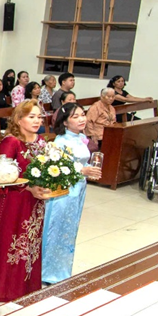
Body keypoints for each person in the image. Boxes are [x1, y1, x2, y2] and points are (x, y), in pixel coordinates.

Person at [0, 100, 50, 302]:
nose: (37, 121)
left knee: (32, 241)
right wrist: (28, 188)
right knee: (12, 243)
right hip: (14, 200)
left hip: (35, 201)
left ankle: (27, 285)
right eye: (31, 117)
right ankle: (4, 288)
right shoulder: (11, 142)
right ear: (19, 119)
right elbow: (2, 176)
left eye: (39, 117)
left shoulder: (41, 141)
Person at [41, 103, 103, 285]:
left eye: (83, 114)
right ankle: (49, 272)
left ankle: (62, 269)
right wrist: (83, 171)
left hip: (79, 188)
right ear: (65, 122)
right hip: (64, 190)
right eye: (75, 117)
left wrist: (88, 170)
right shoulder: (60, 142)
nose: (81, 119)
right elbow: (58, 169)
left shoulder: (81, 138)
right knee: (58, 228)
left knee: (70, 229)